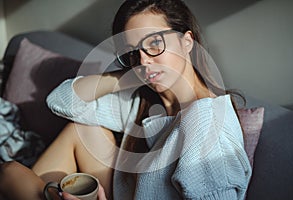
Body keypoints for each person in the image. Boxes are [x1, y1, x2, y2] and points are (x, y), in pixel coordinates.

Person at [0, 0, 252, 199]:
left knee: (10, 174)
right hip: (121, 192)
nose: (144, 60)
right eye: (134, 52)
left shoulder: (205, 125)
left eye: (154, 43)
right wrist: (127, 77)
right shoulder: (143, 101)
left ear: (187, 42)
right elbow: (60, 101)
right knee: (80, 129)